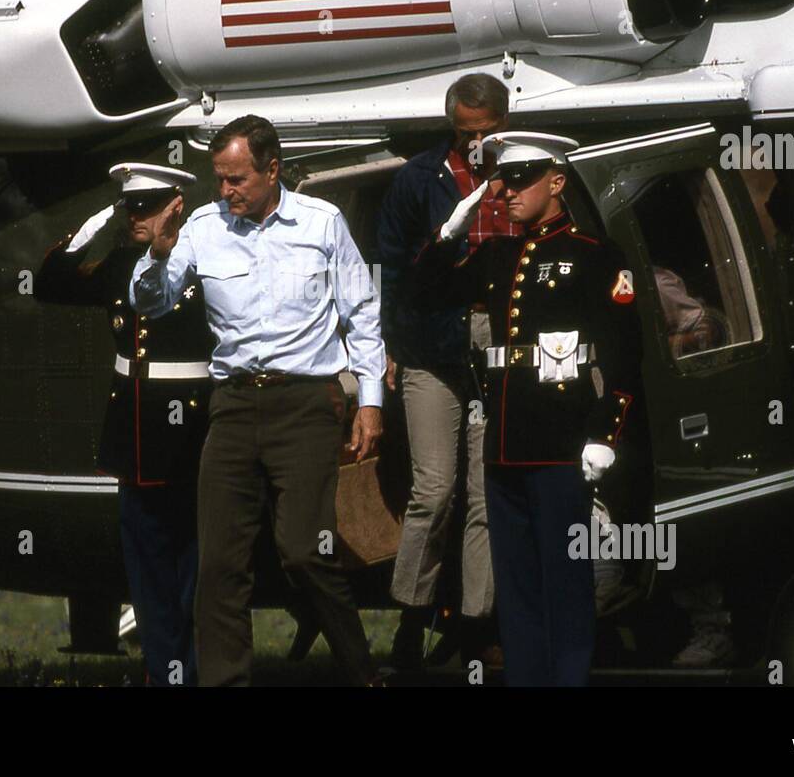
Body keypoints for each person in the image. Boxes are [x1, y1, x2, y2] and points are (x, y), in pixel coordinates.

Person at [129, 115, 385, 687]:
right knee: (220, 562)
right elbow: (152, 303)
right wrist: (159, 256)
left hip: (307, 403)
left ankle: (363, 673)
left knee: (303, 552)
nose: (225, 191)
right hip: (234, 405)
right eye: (219, 178)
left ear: (272, 170)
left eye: (237, 178)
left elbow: (361, 313)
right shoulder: (202, 227)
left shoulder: (322, 223)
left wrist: (370, 401)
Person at [414, 132, 643, 686]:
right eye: (503, 182)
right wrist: (450, 231)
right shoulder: (498, 253)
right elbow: (423, 291)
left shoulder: (593, 255)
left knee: (565, 578)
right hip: (505, 444)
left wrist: (603, 434)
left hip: (563, 444)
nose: (508, 192)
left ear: (556, 182)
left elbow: (624, 356)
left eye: (521, 180)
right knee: (515, 586)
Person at [35, 162, 214, 686]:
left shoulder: (204, 260)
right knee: (147, 566)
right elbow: (49, 282)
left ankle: (196, 668)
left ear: (176, 205)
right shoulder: (120, 263)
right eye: (129, 207)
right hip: (133, 432)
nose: (136, 216)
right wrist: (100, 219)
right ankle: (165, 674)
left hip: (192, 428)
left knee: (193, 565)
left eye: (146, 206)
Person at [376, 73, 514, 668]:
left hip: (499, 339)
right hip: (432, 341)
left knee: (488, 493)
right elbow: (391, 265)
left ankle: (477, 625)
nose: (476, 144)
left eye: (486, 133)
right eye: (465, 134)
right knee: (433, 490)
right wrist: (386, 343)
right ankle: (411, 617)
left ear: (503, 124)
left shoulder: (528, 172)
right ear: (451, 126)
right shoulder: (420, 177)